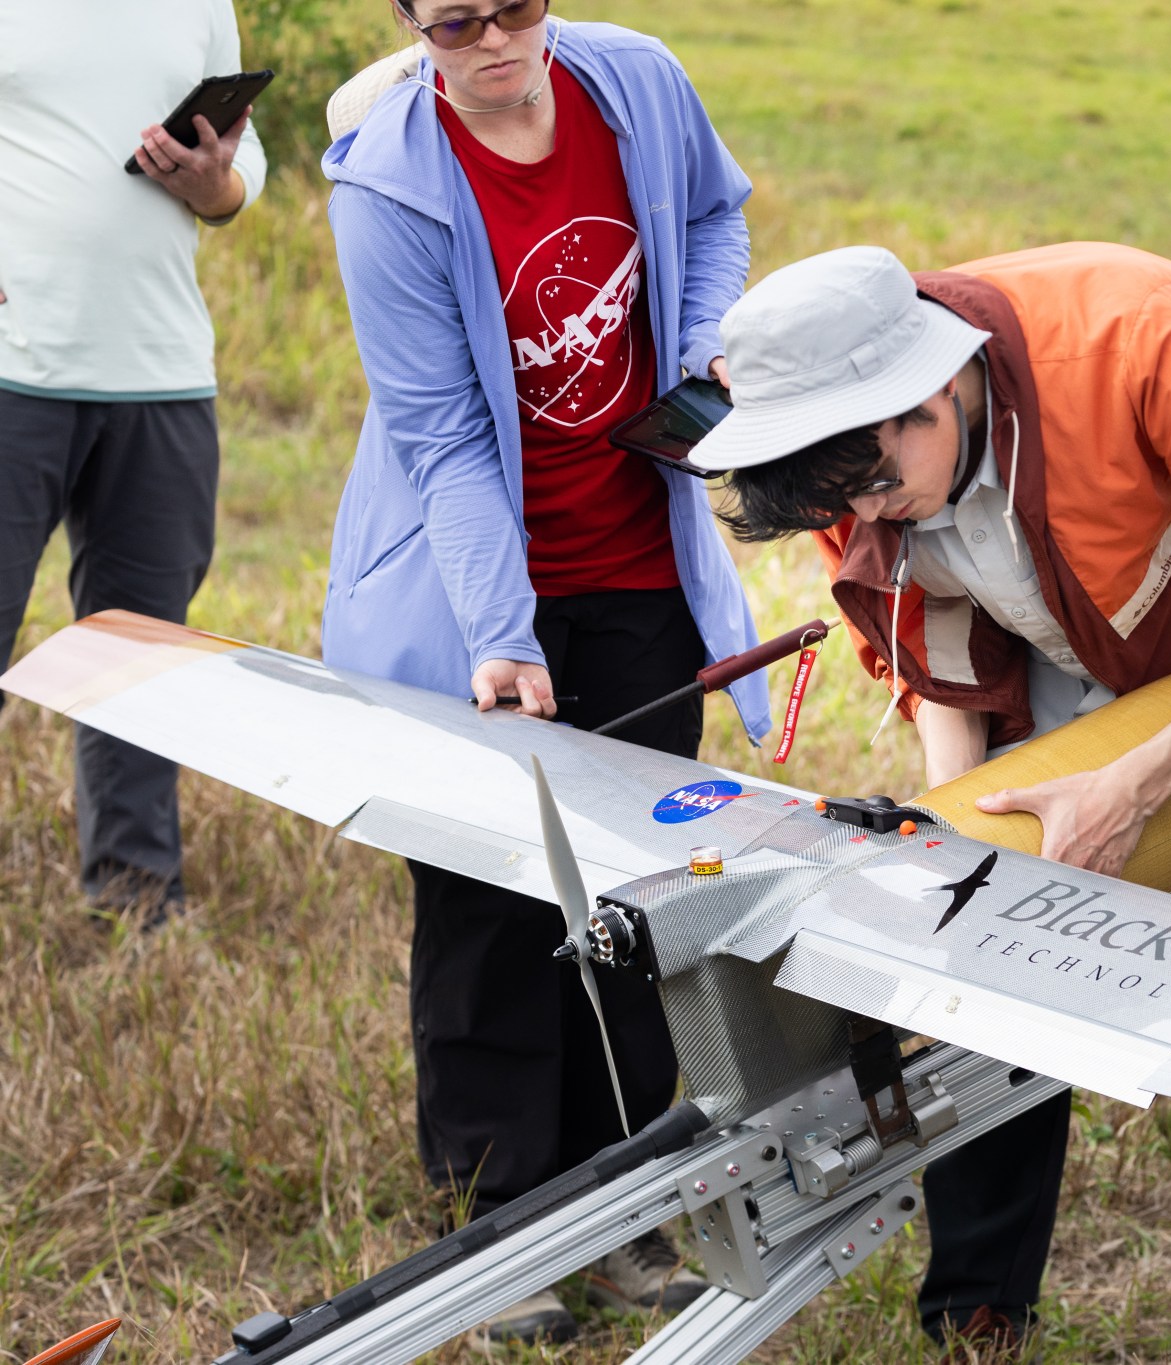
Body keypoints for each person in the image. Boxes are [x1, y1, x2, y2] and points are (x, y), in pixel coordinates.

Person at [693, 242, 1171, 1365]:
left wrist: (1130, 789)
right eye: (842, 503)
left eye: (881, 487)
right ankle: (977, 1322)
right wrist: (958, 828)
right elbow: (927, 646)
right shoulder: (840, 452)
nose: (871, 514)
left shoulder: (1143, 338)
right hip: (1044, 706)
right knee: (980, 993)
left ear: (932, 392)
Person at [320, 0, 769, 1343]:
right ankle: (496, 1235)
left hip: (640, 569)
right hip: (477, 586)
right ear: (410, 24)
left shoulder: (639, 81)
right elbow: (443, 435)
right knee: (487, 910)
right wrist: (502, 634)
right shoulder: (387, 190)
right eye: (457, 21)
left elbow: (712, 213)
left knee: (626, 903)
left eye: (517, 7)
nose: (496, 40)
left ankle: (621, 1218)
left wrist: (696, 349)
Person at [0, 0, 266, 924]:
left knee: (141, 662)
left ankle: (137, 898)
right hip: (12, 369)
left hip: (160, 371)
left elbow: (241, 168)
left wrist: (214, 184)